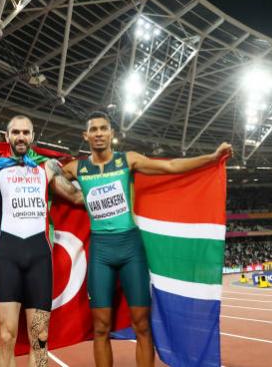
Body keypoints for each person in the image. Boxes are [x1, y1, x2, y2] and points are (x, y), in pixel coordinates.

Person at [61, 111, 232, 367]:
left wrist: (211, 157)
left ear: (111, 134)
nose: (98, 133)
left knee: (142, 323)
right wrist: (71, 193)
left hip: (131, 249)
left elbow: (171, 166)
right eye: (93, 129)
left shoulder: (127, 161)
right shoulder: (77, 169)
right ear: (85, 136)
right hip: (101, 253)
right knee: (100, 327)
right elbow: (51, 181)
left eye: (103, 128)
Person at [0, 115, 83, 367]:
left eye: (26, 132)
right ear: (6, 136)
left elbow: (76, 197)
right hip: (6, 257)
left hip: (40, 259)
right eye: (16, 132)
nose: (21, 137)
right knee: (5, 336)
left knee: (40, 338)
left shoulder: (48, 168)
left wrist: (112, 186)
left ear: (33, 136)